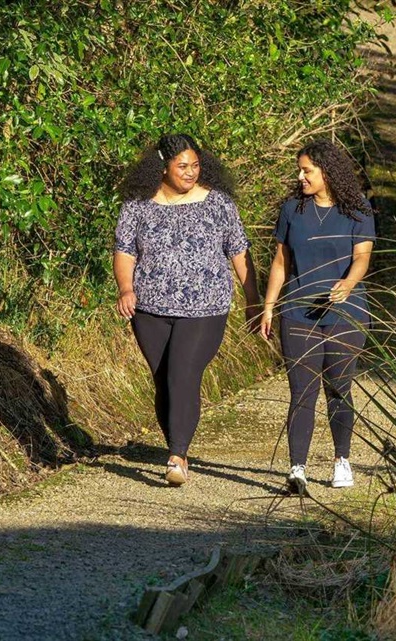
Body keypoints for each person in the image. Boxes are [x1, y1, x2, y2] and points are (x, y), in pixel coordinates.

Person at [114, 133, 261, 486]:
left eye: (195, 165)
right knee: (164, 380)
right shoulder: (137, 205)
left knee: (182, 371)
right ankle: (176, 447)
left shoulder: (219, 203)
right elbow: (124, 251)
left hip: (205, 307)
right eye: (182, 166)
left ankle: (177, 456)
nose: (190, 172)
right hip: (149, 309)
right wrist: (125, 288)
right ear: (162, 167)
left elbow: (239, 253)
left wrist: (254, 299)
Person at [259, 140, 375, 495]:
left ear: (327, 171)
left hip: (346, 313)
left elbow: (362, 257)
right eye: (300, 170)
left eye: (307, 170)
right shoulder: (292, 209)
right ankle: (297, 470)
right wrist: (268, 306)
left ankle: (342, 459)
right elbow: (280, 263)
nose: (301, 176)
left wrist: (347, 284)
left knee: (339, 388)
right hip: (297, 313)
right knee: (301, 393)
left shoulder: (359, 210)